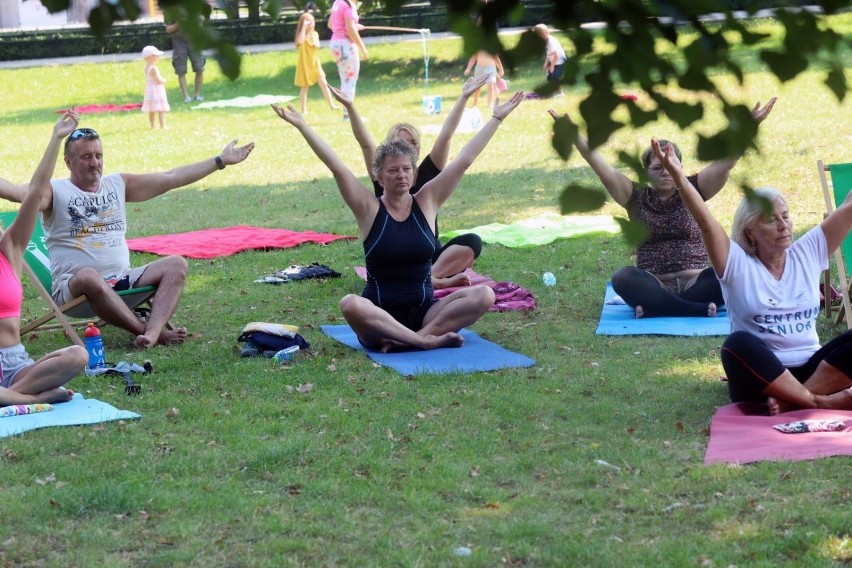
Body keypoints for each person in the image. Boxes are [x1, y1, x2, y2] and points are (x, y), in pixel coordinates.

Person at [270, 91, 524, 352]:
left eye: (406, 169)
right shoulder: (368, 208)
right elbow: (337, 167)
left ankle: (415, 339)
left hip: (426, 315)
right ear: (379, 177)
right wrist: (303, 126)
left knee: (484, 295)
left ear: (414, 175)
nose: (401, 175)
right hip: (379, 320)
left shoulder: (427, 201)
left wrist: (496, 118)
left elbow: (463, 161)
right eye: (393, 170)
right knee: (350, 303)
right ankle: (423, 342)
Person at [0, 129, 255, 349]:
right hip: (75, 290)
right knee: (90, 275)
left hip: (123, 282)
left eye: (98, 156)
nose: (94, 163)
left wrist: (220, 160)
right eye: (86, 157)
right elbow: (17, 193)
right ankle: (144, 331)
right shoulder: (55, 191)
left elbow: (171, 177)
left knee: (176, 264)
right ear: (68, 162)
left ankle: (154, 333)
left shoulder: (117, 184)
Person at [652, 139, 852, 414]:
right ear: (750, 232)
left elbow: (849, 206)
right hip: (760, 376)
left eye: (786, 216)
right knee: (736, 345)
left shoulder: (807, 252)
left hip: (813, 369)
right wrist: (677, 176)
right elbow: (705, 222)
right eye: (772, 220)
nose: (784, 226)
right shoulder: (737, 264)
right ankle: (818, 401)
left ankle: (794, 400)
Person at [549, 97, 776, 318]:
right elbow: (601, 168)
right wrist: (576, 137)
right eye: (658, 167)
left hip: (697, 282)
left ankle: (658, 308)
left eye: (670, 165)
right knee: (622, 278)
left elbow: (726, 163)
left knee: (736, 271)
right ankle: (690, 309)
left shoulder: (694, 189)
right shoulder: (634, 196)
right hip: (654, 283)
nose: (665, 172)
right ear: (647, 172)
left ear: (680, 167)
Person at [330, 74, 490, 289]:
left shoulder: (429, 171)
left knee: (472, 242)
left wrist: (463, 97)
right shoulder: (384, 174)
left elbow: (446, 136)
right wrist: (350, 107)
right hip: (395, 258)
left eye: (413, 142)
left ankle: (429, 278)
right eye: (401, 142)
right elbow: (366, 144)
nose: (408, 147)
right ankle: (427, 279)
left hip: (429, 256)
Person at [0, 111, 87, 407]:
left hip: (15, 365)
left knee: (78, 355)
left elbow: (35, 193)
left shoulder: (9, 250)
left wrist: (56, 138)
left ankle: (15, 397)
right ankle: (28, 397)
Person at [328, 0, 367, 121]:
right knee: (350, 81)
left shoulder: (338, 3)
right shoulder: (349, 6)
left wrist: (352, 28)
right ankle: (349, 115)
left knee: (345, 80)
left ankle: (347, 114)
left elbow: (331, 24)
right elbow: (350, 29)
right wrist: (363, 48)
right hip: (345, 45)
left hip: (335, 43)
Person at [294, 12, 338, 114]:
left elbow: (317, 45)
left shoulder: (315, 34)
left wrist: (310, 34)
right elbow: (300, 42)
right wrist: (304, 28)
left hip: (315, 63)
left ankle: (332, 105)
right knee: (304, 88)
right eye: (308, 22)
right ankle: (303, 109)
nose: (311, 24)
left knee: (324, 84)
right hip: (304, 64)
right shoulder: (301, 36)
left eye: (312, 22)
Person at [165, 18, 205, 103]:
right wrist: (178, 23)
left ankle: (197, 95)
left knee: (199, 68)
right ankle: (186, 97)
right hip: (178, 43)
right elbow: (168, 29)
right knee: (181, 70)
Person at [141, 46, 170, 129]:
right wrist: (164, 80)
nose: (158, 57)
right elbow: (158, 80)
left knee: (152, 109)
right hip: (156, 90)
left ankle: (152, 125)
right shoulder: (154, 69)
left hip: (149, 90)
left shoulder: (146, 68)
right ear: (150, 57)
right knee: (161, 108)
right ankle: (163, 125)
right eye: (156, 55)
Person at [533, 24, 566, 96]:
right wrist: (546, 63)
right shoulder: (546, 41)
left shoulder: (551, 41)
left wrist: (552, 66)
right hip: (554, 60)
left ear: (543, 34)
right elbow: (549, 53)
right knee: (550, 77)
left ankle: (560, 93)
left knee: (555, 77)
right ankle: (553, 92)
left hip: (559, 61)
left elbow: (556, 55)